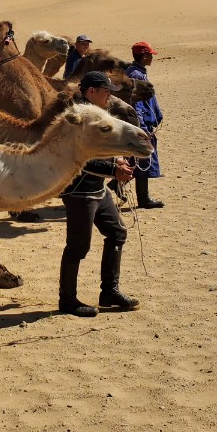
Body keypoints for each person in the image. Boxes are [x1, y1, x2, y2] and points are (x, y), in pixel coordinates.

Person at [58, 71, 141, 317]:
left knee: (117, 232)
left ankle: (109, 292)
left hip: (97, 188)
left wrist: (118, 160)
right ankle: (67, 300)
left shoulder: (97, 115)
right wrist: (113, 170)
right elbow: (78, 158)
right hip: (79, 191)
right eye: (106, 92)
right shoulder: (76, 119)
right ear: (91, 91)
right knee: (77, 247)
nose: (109, 97)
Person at [126, 41, 165, 209]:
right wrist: (141, 127)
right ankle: (144, 199)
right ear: (144, 56)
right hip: (142, 125)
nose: (152, 58)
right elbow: (137, 104)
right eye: (150, 55)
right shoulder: (136, 75)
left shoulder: (135, 72)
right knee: (143, 161)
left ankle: (116, 184)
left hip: (143, 123)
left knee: (133, 159)